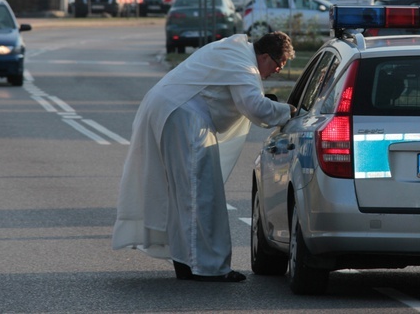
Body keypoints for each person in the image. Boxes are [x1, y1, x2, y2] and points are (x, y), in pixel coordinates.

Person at [112, 31, 296, 283]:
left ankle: (186, 262)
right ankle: (209, 267)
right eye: (278, 65)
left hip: (170, 109)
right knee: (202, 193)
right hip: (184, 116)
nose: (277, 71)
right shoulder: (244, 64)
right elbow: (254, 106)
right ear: (264, 56)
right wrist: (289, 111)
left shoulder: (235, 51)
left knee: (183, 194)